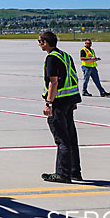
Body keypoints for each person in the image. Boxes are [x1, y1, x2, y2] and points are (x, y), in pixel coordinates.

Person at [38, 31, 82, 183]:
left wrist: (49, 103)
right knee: (71, 137)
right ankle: (75, 171)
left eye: (39, 41)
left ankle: (63, 174)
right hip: (69, 100)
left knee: (62, 139)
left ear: (45, 42)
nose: (39, 44)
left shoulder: (51, 58)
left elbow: (54, 82)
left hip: (58, 102)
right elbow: (73, 77)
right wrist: (73, 99)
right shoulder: (65, 56)